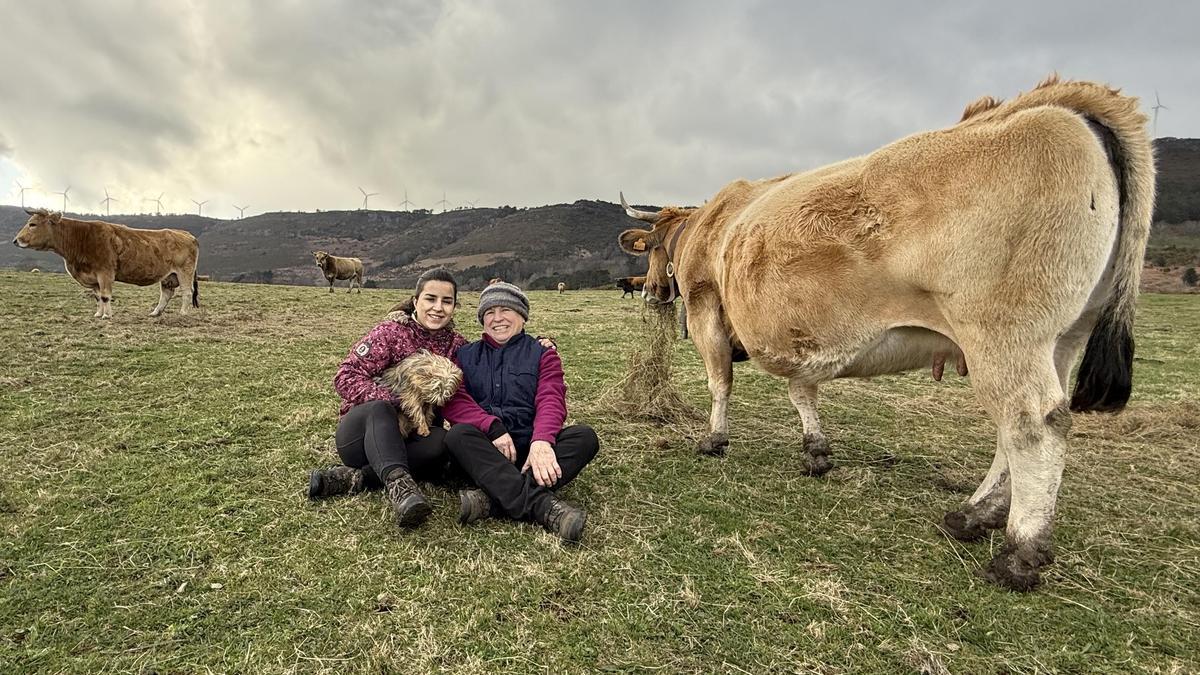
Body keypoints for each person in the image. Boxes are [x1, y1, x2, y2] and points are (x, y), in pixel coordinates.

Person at [308, 268, 500, 531]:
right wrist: (399, 400)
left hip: (411, 438)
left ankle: (357, 479)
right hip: (364, 435)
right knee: (380, 408)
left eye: (446, 301)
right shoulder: (390, 333)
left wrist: (540, 345)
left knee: (440, 442)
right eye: (430, 299)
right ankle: (402, 491)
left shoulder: (457, 347)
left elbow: (492, 357)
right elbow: (344, 377)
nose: (438, 308)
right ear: (416, 301)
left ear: (455, 306)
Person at [444, 282, 600, 543]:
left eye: (505, 309)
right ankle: (543, 507)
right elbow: (455, 401)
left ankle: (492, 500)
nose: (497, 319)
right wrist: (492, 427)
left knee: (584, 437)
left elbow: (551, 397)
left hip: (531, 451)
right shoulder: (465, 355)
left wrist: (541, 441)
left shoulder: (543, 354)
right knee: (457, 436)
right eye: (489, 312)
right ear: (482, 320)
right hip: (486, 451)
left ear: (522, 315)